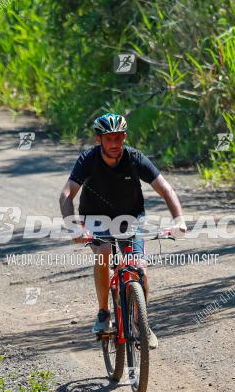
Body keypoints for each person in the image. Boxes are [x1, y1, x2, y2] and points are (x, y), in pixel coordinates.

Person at [58, 113, 186, 348]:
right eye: (109, 139)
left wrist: (178, 220)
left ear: (125, 137)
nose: (115, 144)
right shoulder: (88, 159)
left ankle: (142, 323)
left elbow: (166, 189)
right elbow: (66, 194)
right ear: (99, 140)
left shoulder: (135, 158)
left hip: (130, 217)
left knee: (140, 267)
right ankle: (104, 313)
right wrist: (73, 226)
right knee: (104, 252)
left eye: (119, 138)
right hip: (95, 218)